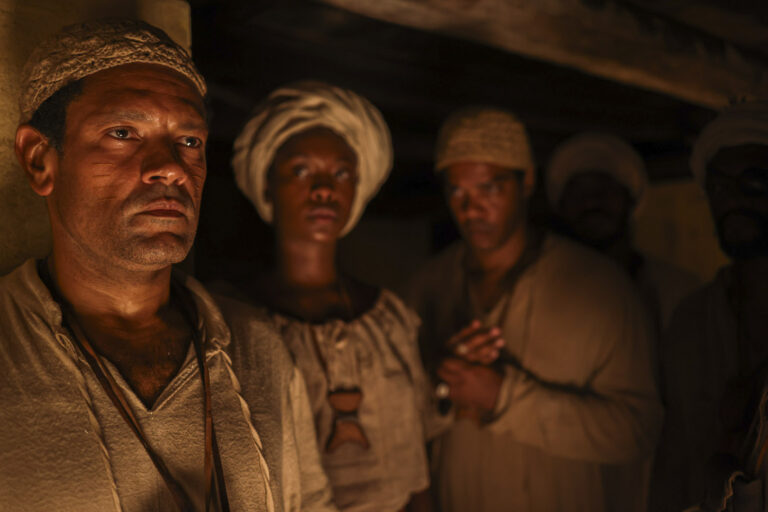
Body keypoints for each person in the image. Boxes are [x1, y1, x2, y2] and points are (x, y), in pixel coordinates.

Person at [0, 19, 334, 511]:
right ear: (39, 161)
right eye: (122, 132)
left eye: (190, 141)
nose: (172, 167)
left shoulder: (257, 346)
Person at [403, 107, 663, 512]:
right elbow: (395, 432)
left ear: (526, 181)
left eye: (489, 188)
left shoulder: (598, 287)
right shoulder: (425, 288)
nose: (471, 209)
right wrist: (442, 386)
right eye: (458, 192)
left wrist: (504, 399)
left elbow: (638, 431)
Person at [230, 81, 435, 512]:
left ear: (357, 188)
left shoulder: (391, 317)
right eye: (302, 170)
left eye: (341, 173)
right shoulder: (230, 321)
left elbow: (417, 470)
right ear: (267, 184)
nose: (325, 188)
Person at [651, 101, 768, 512]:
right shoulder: (691, 322)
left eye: (752, 181)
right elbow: (675, 455)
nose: (732, 200)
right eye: (718, 188)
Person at [547, 132, 700, 332]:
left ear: (630, 199)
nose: (592, 202)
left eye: (604, 191)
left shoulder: (680, 292)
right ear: (562, 206)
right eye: (579, 194)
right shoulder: (540, 291)